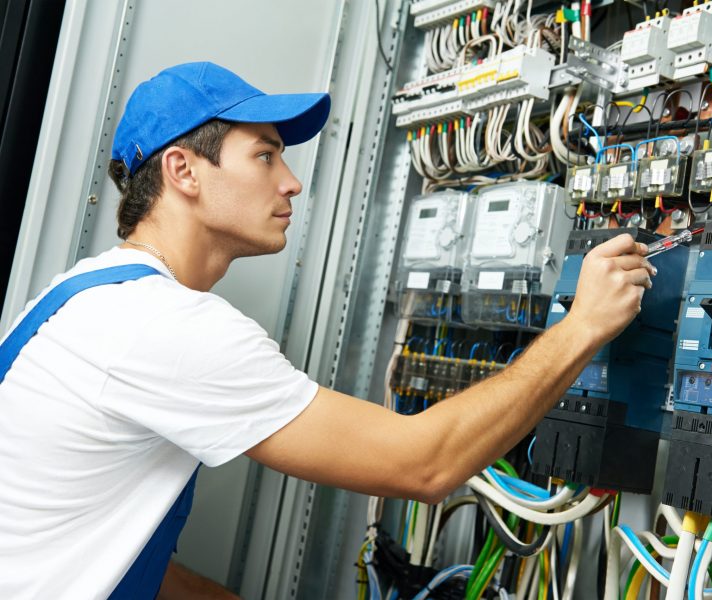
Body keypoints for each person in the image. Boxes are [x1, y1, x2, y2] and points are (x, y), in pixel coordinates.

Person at [0, 62, 655, 599]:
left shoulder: (79, 296)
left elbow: (99, 547)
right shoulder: (163, 327)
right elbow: (423, 463)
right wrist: (583, 326)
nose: (291, 183)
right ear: (184, 171)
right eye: (264, 156)